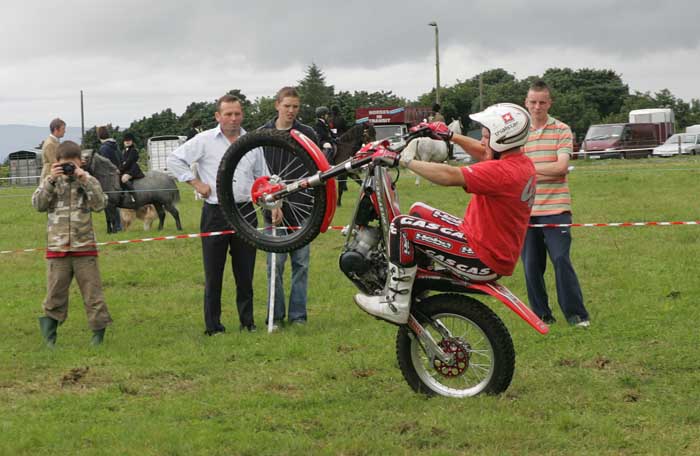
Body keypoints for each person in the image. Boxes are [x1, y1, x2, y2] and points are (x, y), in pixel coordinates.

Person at [354, 103, 536, 324]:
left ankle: (396, 302)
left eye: (486, 136)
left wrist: (399, 159)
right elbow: (484, 152)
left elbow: (450, 175)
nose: (482, 141)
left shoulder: (502, 172)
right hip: (486, 244)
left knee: (402, 225)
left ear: (502, 140)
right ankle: (415, 285)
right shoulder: (518, 162)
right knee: (418, 210)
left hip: (482, 256)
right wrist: (450, 136)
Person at [167, 94, 268, 335]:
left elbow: (261, 176)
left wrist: (271, 205)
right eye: (228, 114)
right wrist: (195, 182)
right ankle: (213, 327)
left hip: (245, 211)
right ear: (218, 116)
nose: (233, 119)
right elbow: (174, 160)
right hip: (216, 212)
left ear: (242, 114)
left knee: (245, 272)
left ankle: (248, 323)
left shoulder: (252, 142)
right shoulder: (203, 141)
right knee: (214, 273)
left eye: (237, 114)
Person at [522, 80, 590, 327]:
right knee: (531, 267)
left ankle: (577, 316)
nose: (537, 106)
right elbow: (510, 169)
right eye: (533, 102)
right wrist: (541, 170)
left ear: (549, 103)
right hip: (525, 212)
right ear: (526, 103)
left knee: (561, 260)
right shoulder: (519, 132)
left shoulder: (561, 129)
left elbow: (561, 168)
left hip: (556, 209)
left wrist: (526, 169)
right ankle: (541, 316)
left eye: (542, 102)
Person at [32, 141, 112, 347]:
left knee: (93, 294)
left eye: (72, 165)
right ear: (57, 163)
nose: (68, 169)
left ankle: (98, 336)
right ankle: (50, 336)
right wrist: (50, 179)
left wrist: (85, 179)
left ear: (80, 162)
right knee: (54, 295)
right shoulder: (51, 180)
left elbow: (100, 205)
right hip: (57, 248)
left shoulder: (88, 180)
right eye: (64, 164)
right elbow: (38, 205)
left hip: (84, 248)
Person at [259, 87, 319, 328]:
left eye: (295, 106)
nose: (291, 111)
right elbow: (259, 172)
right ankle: (275, 316)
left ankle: (298, 317)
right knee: (275, 265)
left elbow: (316, 168)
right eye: (287, 106)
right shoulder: (262, 134)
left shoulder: (307, 133)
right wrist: (273, 200)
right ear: (277, 105)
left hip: (303, 209)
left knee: (301, 264)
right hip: (271, 209)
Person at [97, 126, 123, 232]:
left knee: (110, 202)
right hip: (119, 173)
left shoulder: (104, 148)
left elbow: (104, 164)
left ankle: (116, 225)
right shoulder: (115, 145)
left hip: (109, 177)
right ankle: (118, 225)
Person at [119, 132, 145, 205]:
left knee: (124, 178)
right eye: (125, 140)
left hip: (132, 169)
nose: (127, 141)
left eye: (129, 140)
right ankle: (122, 193)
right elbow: (122, 162)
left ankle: (134, 196)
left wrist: (121, 168)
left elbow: (128, 162)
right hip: (126, 169)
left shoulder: (133, 150)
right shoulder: (124, 151)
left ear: (132, 141)